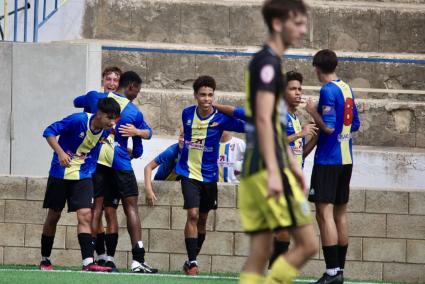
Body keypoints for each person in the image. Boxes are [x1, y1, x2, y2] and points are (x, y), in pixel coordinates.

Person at [238, 1, 318, 283]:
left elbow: (272, 122)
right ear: (276, 24)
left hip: (260, 168)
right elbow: (262, 119)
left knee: (260, 251)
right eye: (297, 23)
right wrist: (276, 170)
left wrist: (294, 167)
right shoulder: (268, 63)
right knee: (308, 244)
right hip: (265, 169)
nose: (303, 29)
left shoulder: (270, 62)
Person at [73, 71, 157, 273]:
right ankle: (137, 260)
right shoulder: (134, 113)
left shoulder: (95, 98)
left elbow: (77, 102)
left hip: (96, 162)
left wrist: (88, 106)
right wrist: (135, 136)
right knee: (131, 209)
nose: (136, 94)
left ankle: (91, 260)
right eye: (137, 90)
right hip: (119, 164)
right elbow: (139, 149)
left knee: (96, 209)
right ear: (130, 87)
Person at [39, 98, 120, 272]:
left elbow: (94, 152)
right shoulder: (78, 120)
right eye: (110, 118)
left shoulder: (105, 132)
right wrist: (60, 153)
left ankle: (87, 262)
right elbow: (49, 131)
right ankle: (45, 258)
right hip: (60, 174)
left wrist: (89, 171)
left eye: (115, 118)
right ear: (99, 114)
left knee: (85, 215)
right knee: (54, 216)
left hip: (83, 176)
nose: (112, 122)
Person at [176, 75, 245, 275]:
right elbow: (186, 137)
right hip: (188, 173)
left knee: (203, 220)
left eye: (210, 95)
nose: (206, 99)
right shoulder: (187, 114)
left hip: (209, 177)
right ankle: (193, 262)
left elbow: (247, 124)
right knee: (192, 214)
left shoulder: (220, 118)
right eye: (202, 95)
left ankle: (191, 258)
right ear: (195, 95)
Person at [306, 49, 360, 284]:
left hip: (328, 159)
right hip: (346, 158)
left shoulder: (327, 90)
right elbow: (355, 124)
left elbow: (327, 127)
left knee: (323, 213)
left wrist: (312, 111)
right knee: (340, 214)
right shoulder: (347, 88)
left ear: (317, 68)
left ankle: (332, 272)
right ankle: (339, 271)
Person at [269, 71, 318, 267]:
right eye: (293, 89)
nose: (298, 93)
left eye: (300, 89)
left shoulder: (295, 118)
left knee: (284, 231)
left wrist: (315, 137)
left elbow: (299, 155)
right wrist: (300, 133)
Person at [84, 66, 122, 266]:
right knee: (95, 207)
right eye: (109, 79)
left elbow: (142, 134)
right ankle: (94, 255)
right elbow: (78, 103)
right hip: (96, 164)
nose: (112, 83)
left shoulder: (125, 106)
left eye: (116, 80)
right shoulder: (95, 99)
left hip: (115, 165)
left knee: (111, 210)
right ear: (103, 80)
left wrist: (139, 137)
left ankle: (109, 258)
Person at [143, 130, 184, 206]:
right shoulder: (171, 151)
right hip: (161, 182)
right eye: (181, 136)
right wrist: (148, 190)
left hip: (176, 180)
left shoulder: (193, 153)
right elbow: (148, 167)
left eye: (186, 137)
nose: (182, 140)